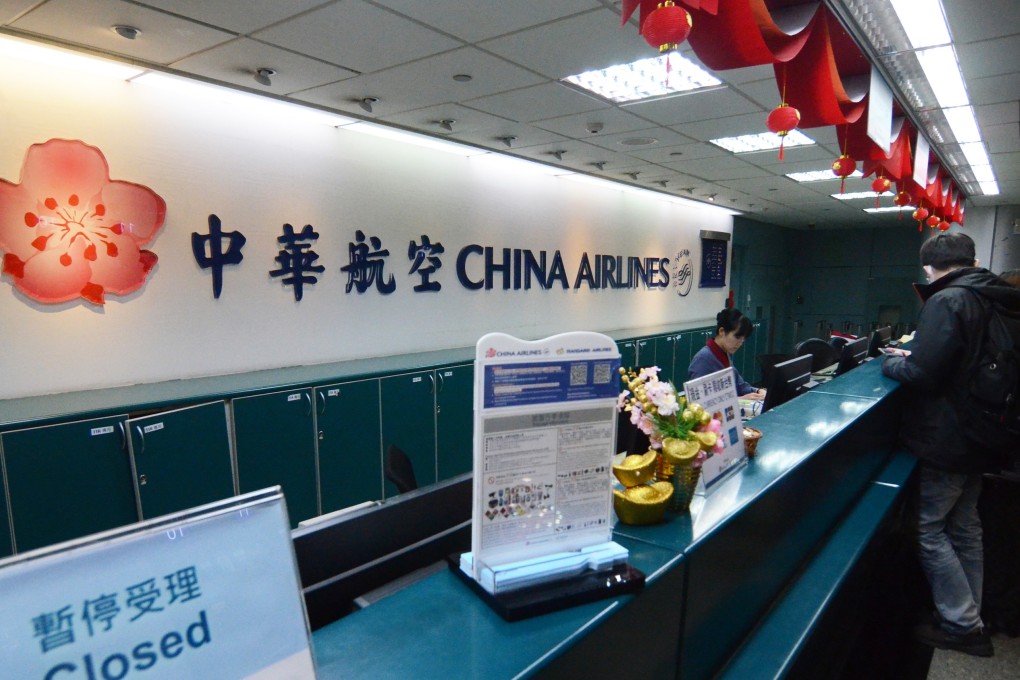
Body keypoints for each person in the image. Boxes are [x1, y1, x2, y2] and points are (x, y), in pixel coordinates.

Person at [881, 232, 1020, 657]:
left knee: (928, 529)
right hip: (987, 432)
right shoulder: (996, 294)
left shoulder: (948, 300)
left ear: (929, 268)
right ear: (972, 259)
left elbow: (924, 373)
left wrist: (893, 362)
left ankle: (961, 625)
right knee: (966, 527)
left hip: (950, 436)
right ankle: (971, 613)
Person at [688, 308, 766, 400]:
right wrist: (739, 400)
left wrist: (758, 391)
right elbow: (697, 401)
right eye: (737, 337)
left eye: (743, 340)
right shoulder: (703, 358)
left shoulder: (724, 353)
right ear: (722, 331)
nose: (740, 344)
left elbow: (740, 385)